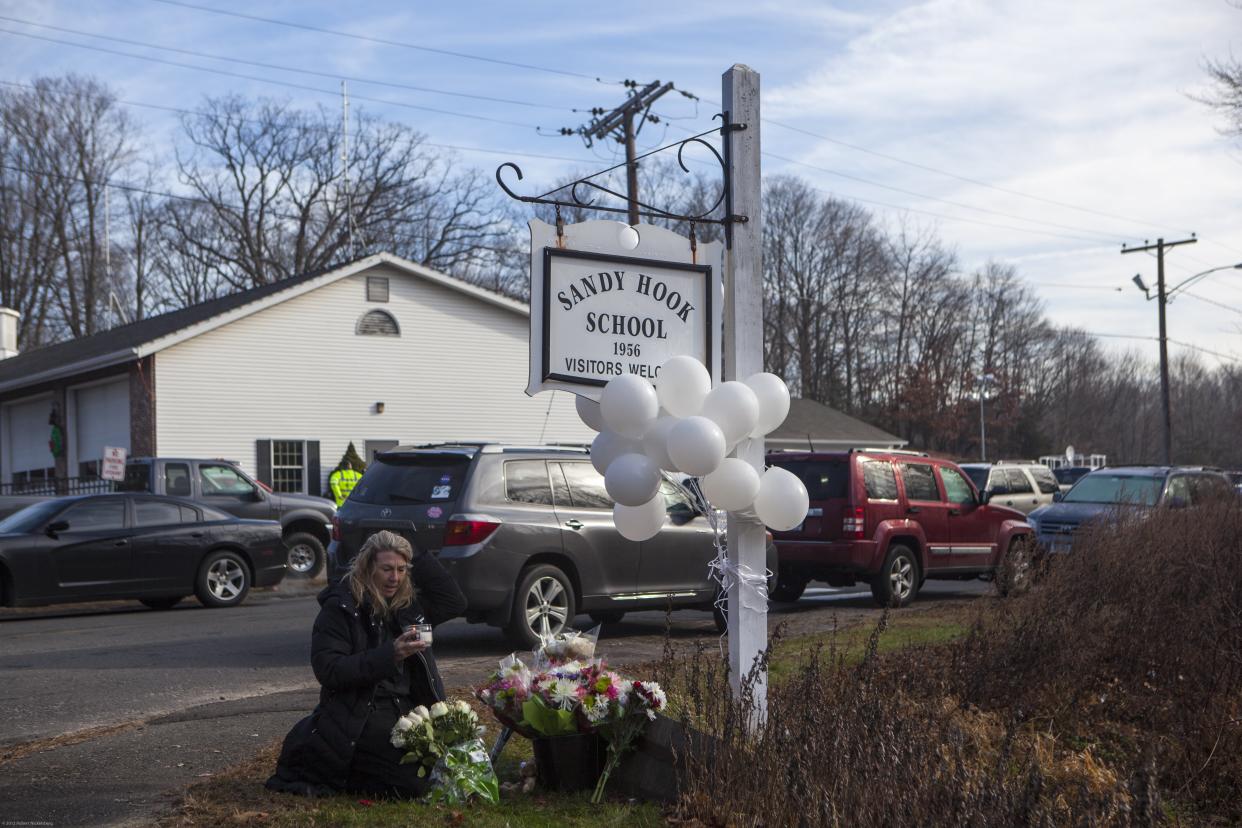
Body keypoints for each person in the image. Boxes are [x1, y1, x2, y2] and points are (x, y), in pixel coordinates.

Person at [266, 530, 467, 798]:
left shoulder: (407, 605)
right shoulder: (341, 608)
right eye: (386, 569)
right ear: (368, 567)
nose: (394, 578)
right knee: (415, 784)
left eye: (401, 569)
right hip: (361, 713)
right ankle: (352, 772)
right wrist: (390, 654)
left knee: (455, 764)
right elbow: (329, 670)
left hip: (408, 709)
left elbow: (454, 601)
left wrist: (416, 551)